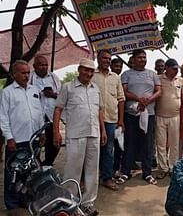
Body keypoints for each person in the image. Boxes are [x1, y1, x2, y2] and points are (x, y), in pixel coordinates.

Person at [53, 58, 107, 216]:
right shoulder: (68, 87)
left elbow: (100, 111)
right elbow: (57, 109)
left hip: (94, 134)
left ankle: (87, 203)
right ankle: (70, 203)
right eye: (86, 70)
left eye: (91, 71)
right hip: (76, 135)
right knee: (72, 171)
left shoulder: (95, 89)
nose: (89, 73)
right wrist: (56, 132)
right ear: (79, 69)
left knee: (92, 170)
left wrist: (103, 130)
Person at [0, 60, 44, 211]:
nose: (26, 76)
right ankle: (11, 204)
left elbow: (40, 113)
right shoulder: (7, 92)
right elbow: (3, 117)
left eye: (28, 72)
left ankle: (25, 199)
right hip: (16, 140)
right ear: (14, 74)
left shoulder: (35, 90)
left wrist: (42, 132)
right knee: (13, 173)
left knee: (30, 173)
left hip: (33, 140)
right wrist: (9, 137)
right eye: (23, 73)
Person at [118, 49, 161, 185]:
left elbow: (159, 91)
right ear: (134, 59)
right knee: (129, 143)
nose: (143, 59)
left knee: (147, 144)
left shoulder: (152, 74)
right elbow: (124, 92)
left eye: (144, 57)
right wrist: (138, 99)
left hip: (148, 114)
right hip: (131, 114)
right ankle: (126, 172)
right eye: (140, 57)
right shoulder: (126, 74)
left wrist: (147, 101)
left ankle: (147, 173)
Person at [92, 50, 125, 191]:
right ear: (98, 59)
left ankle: (107, 178)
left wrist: (121, 120)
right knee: (92, 149)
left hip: (111, 119)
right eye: (104, 58)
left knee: (109, 150)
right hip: (93, 119)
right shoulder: (91, 75)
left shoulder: (116, 77)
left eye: (109, 59)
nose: (107, 61)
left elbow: (121, 99)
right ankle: (88, 178)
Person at [155, 58, 183, 179]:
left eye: (177, 69)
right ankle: (163, 168)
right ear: (166, 68)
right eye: (174, 69)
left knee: (174, 144)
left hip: (175, 117)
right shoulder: (158, 79)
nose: (176, 71)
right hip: (160, 116)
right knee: (161, 144)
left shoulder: (181, 80)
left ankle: (173, 167)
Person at [29, 55, 62, 166]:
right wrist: (40, 93)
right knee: (35, 144)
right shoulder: (29, 78)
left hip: (51, 116)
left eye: (46, 65)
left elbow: (62, 96)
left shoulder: (53, 77)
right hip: (35, 117)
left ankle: (47, 164)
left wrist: (53, 94)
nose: (44, 67)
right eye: (41, 65)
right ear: (34, 66)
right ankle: (36, 167)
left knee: (55, 144)